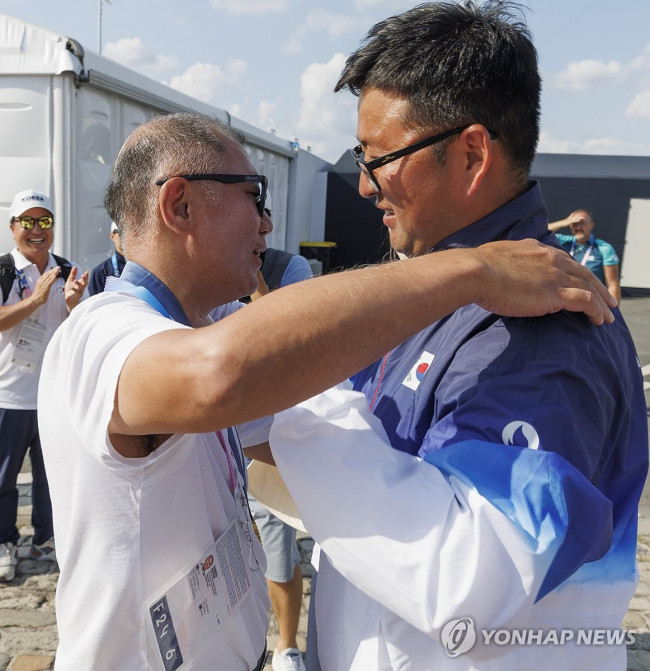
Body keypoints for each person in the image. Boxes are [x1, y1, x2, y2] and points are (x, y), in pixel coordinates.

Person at [36, 112, 615, 671]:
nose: (266, 224)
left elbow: (295, 417)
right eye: (253, 197)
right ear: (180, 205)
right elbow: (218, 374)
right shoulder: (101, 331)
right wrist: (472, 270)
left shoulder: (191, 331)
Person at [264, 3, 648, 670]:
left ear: (471, 153)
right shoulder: (441, 287)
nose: (363, 183)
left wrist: (277, 409)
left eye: (379, 157)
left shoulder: (539, 329)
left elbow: (470, 579)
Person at [0, 189, 88, 583]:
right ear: (13, 227)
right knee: (3, 479)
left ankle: (46, 540)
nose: (37, 230)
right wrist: (34, 301)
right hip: (9, 394)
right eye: (29, 222)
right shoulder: (3, 270)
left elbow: (79, 329)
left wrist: (74, 305)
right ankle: (4, 543)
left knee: (51, 475)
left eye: (45, 221)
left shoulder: (67, 268)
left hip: (54, 396)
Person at [249, 212, 312, 671]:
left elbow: (290, 344)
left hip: (267, 443)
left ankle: (286, 646)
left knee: (278, 552)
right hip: (211, 447)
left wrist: (252, 280)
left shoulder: (288, 269)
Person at [548, 209, 621, 302]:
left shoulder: (603, 248)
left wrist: (615, 313)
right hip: (563, 302)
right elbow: (539, 232)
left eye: (582, 223)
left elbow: (612, 284)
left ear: (591, 225)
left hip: (592, 303)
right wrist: (564, 222)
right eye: (574, 224)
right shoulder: (562, 242)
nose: (578, 227)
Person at [88, 220, 127, 295]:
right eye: (121, 233)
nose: (125, 237)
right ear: (112, 236)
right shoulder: (100, 272)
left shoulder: (146, 267)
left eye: (129, 233)